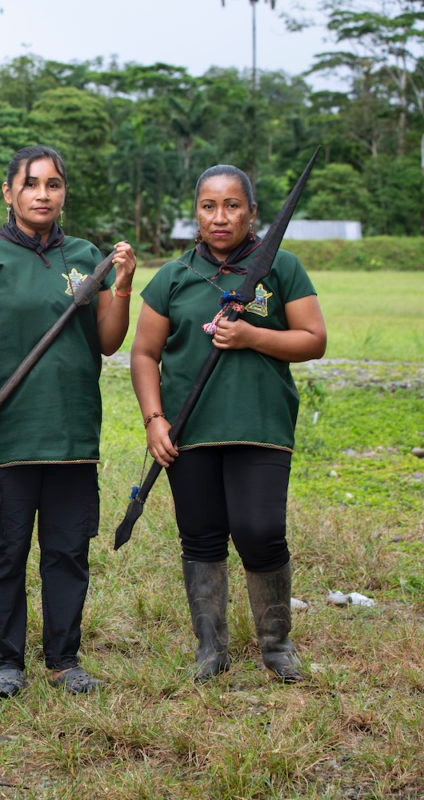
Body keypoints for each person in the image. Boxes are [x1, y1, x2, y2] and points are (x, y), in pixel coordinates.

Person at [0, 145, 136, 697]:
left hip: (71, 438)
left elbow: (109, 341)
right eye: (31, 184)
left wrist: (121, 285)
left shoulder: (85, 255)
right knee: (5, 551)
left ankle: (64, 660)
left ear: (64, 192)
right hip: (4, 437)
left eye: (53, 185)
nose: (42, 195)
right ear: (9, 193)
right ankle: (8, 662)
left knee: (67, 551)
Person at [130, 164, 326, 684]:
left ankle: (276, 645)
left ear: (252, 212)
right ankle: (210, 648)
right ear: (195, 214)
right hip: (189, 430)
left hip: (260, 425)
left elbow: (313, 340)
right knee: (200, 535)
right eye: (209, 206)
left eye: (233, 205)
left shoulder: (280, 267)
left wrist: (252, 337)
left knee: (261, 532)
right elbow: (145, 354)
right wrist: (154, 420)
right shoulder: (173, 276)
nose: (221, 217)